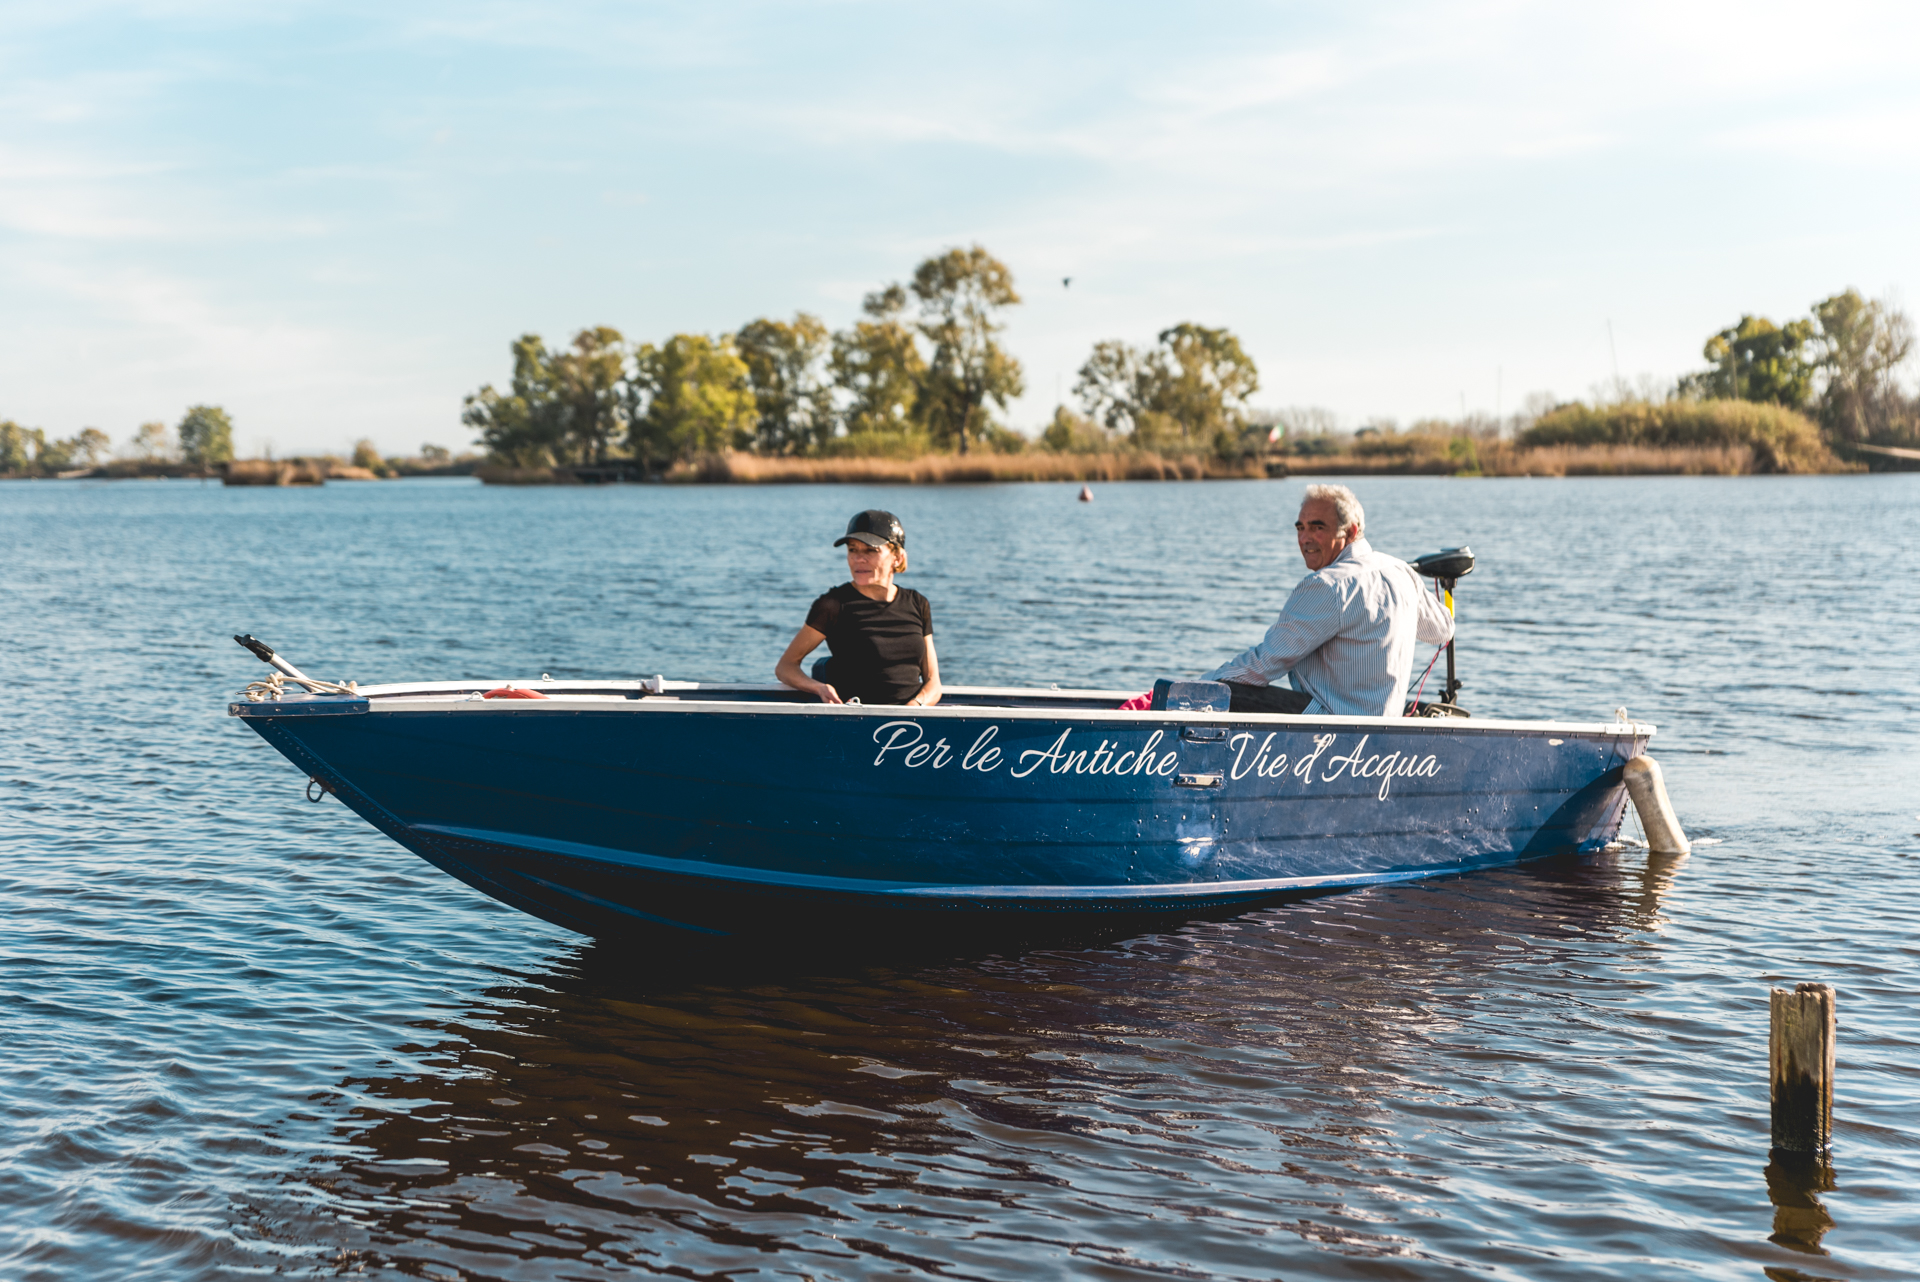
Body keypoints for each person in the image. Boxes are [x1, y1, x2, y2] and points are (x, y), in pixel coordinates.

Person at [1199, 484, 1453, 716]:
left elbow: (1264, 665)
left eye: (1317, 527)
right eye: (1301, 527)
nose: (1305, 538)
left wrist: (1199, 686)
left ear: (1351, 531)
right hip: (1384, 729)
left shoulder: (1327, 586)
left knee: (1223, 693)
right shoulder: (1401, 571)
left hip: (1333, 730)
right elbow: (1443, 630)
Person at [775, 510, 943, 707]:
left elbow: (933, 682)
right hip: (857, 723)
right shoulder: (833, 605)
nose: (858, 559)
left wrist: (913, 708)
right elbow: (785, 667)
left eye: (871, 550)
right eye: (853, 550)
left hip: (909, 728)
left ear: (897, 557)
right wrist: (818, 687)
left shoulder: (917, 603)